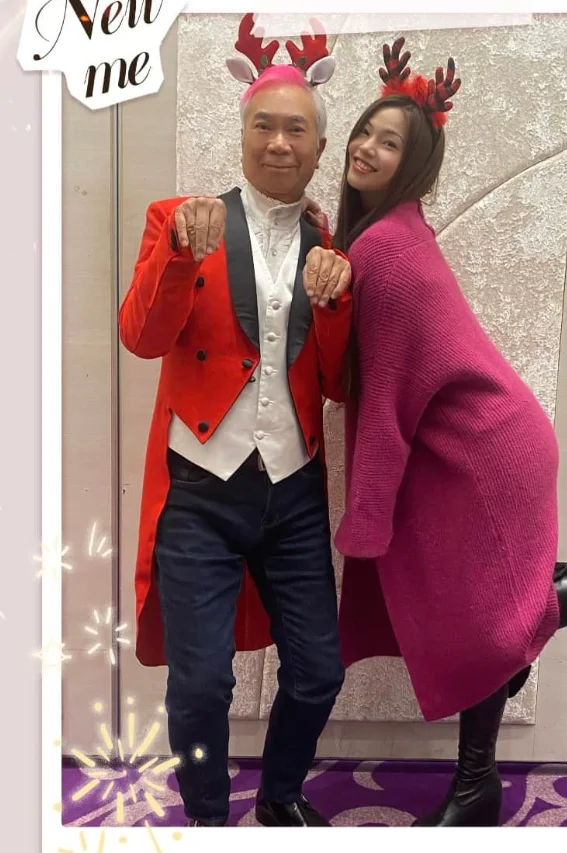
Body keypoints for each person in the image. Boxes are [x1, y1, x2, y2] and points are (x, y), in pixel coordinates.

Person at [325, 38, 567, 828]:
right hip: (479, 444)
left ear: (415, 167)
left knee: (485, 625)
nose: (366, 147)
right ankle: (477, 784)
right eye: (364, 131)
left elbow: (384, 401)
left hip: (481, 453)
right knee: (485, 614)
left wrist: (366, 520)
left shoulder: (385, 249)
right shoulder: (384, 235)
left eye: (390, 143)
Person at [119, 16, 352, 828]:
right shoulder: (180, 220)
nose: (279, 143)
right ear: (243, 131)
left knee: (319, 670)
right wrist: (179, 257)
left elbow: (339, 383)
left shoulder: (331, 241)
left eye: (297, 129)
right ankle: (209, 820)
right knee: (200, 684)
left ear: (319, 148)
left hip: (292, 492)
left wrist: (335, 300)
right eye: (264, 126)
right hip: (200, 489)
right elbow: (141, 337)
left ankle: (280, 795)